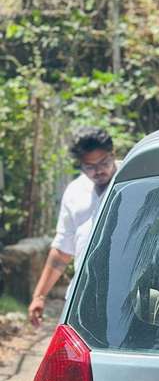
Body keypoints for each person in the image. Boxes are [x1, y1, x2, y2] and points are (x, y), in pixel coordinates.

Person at [28, 127, 118, 327]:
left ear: (113, 153)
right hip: (82, 297)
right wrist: (39, 296)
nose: (98, 171)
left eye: (104, 162)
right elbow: (62, 251)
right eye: (89, 166)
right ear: (80, 165)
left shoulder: (132, 181)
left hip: (124, 297)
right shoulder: (74, 192)